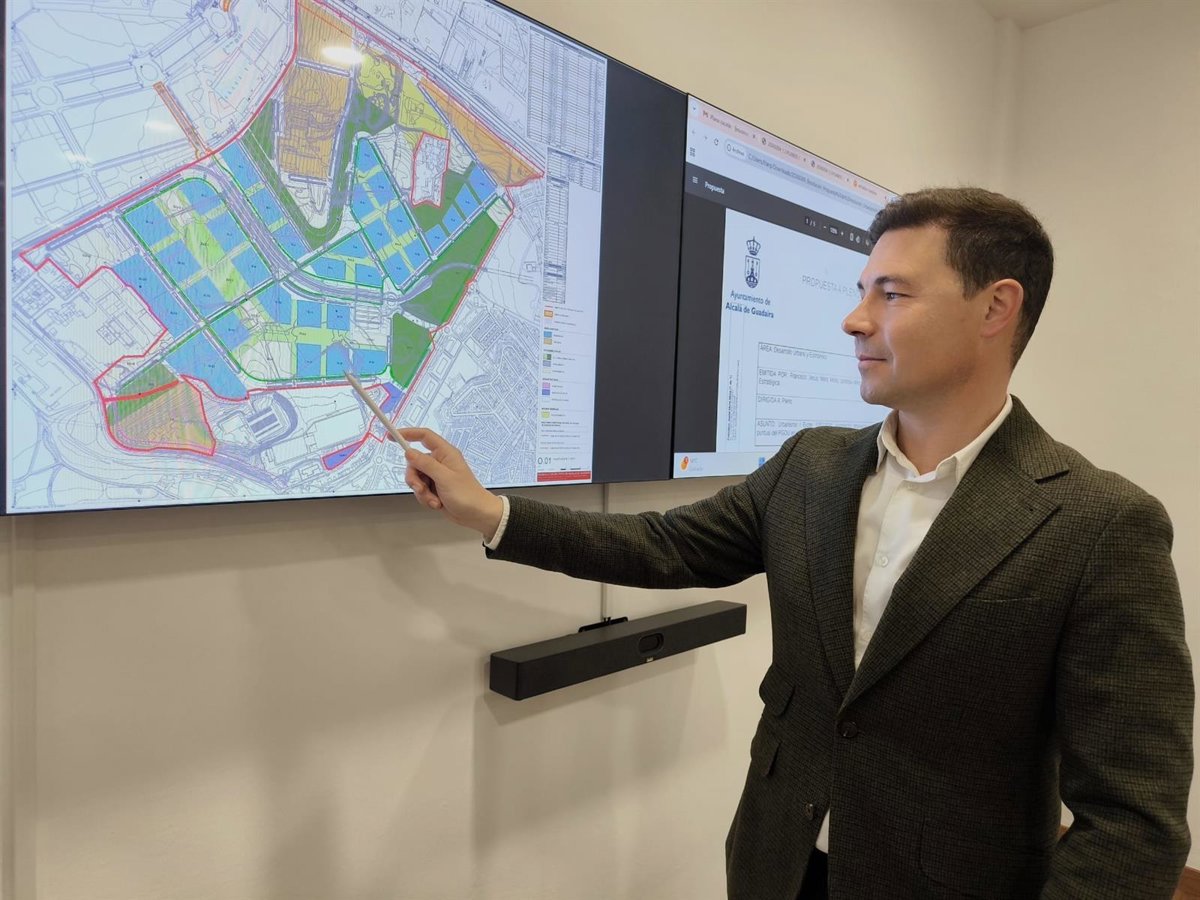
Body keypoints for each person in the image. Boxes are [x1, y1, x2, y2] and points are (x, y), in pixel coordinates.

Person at [397, 188, 1193, 899]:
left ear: (996, 308)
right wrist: (492, 512)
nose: (856, 319)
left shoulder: (1099, 524)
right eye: (860, 292)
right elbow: (665, 547)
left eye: (892, 294)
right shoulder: (812, 466)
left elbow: (1133, 820)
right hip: (777, 860)